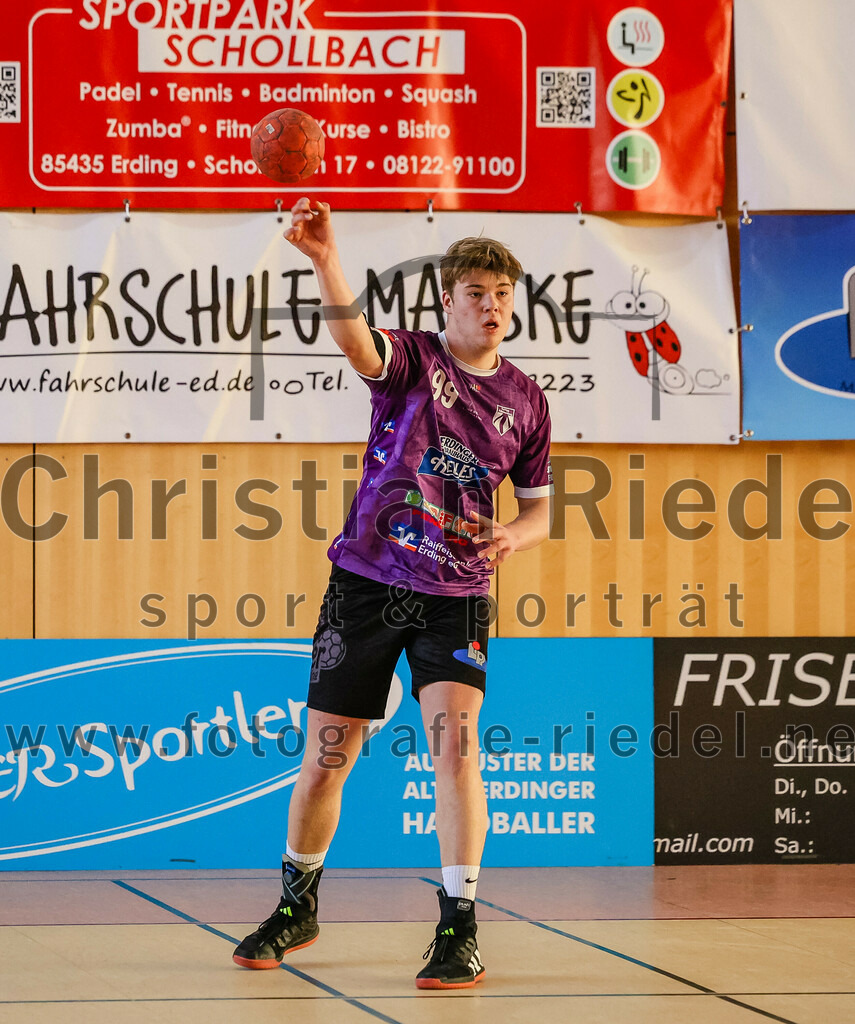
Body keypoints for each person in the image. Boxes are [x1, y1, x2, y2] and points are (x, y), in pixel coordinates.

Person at [233, 198, 553, 989]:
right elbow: (352, 338)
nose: (492, 308)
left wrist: (515, 532)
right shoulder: (412, 361)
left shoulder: (525, 400)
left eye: (503, 296)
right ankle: (296, 904)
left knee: (455, 749)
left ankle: (458, 926)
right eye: (477, 294)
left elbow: (542, 511)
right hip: (366, 583)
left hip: (458, 594)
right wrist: (323, 259)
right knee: (325, 759)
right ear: (449, 300)